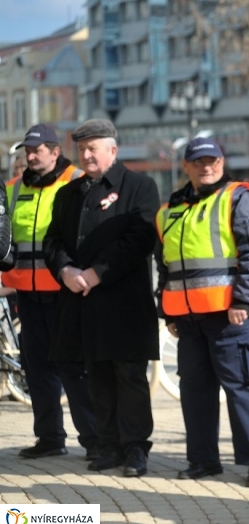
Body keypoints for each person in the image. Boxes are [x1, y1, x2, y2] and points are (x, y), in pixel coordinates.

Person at [43, 118, 160, 478]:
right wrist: (65, 270)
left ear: (113, 149)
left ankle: (136, 447)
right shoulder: (70, 193)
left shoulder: (139, 186)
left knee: (129, 376)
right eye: (82, 148)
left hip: (124, 303)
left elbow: (139, 241)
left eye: (94, 147)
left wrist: (97, 272)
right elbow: (53, 242)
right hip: (83, 302)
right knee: (98, 376)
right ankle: (108, 445)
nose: (87, 154)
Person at [155, 138, 249, 488]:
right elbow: (165, 267)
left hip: (228, 315)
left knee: (242, 389)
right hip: (188, 320)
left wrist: (243, 301)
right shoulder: (171, 209)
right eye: (199, 161)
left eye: (213, 160)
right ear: (186, 166)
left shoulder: (238, 197)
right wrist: (168, 313)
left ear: (222, 162)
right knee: (195, 391)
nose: (207, 167)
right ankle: (203, 461)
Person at [6, 125, 97, 460]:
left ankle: (94, 439)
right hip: (26, 295)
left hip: (65, 293)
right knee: (37, 368)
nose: (30, 156)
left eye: (37, 150)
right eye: (27, 150)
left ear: (55, 151)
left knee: (73, 367)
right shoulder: (13, 189)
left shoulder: (76, 182)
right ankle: (49, 438)